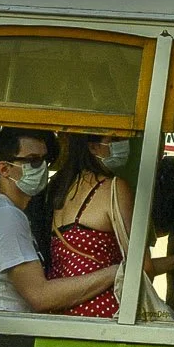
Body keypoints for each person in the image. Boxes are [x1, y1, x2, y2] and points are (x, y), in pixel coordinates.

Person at [0, 128, 123, 315]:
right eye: (33, 161)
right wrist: (115, 272)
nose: (42, 169)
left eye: (44, 160)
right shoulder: (5, 217)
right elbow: (40, 297)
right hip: (7, 336)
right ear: (4, 169)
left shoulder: (7, 212)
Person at [47, 132, 137, 319]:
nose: (124, 144)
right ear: (93, 147)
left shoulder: (60, 188)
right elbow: (140, 265)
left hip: (60, 312)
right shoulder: (114, 188)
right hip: (101, 312)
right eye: (115, 140)